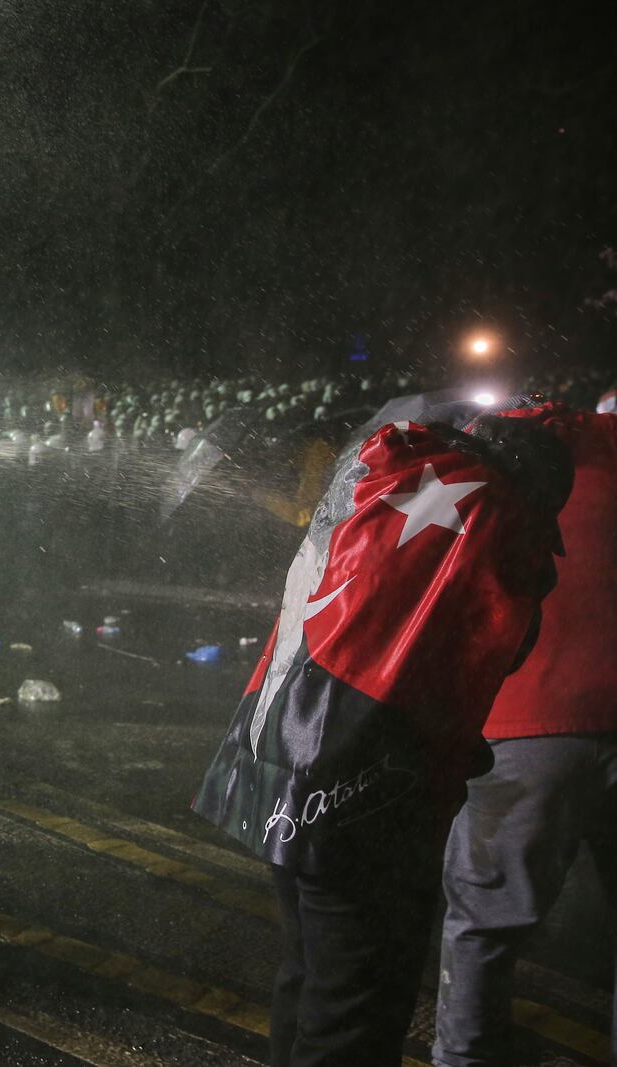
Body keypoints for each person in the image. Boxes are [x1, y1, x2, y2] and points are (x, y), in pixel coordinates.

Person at [193, 411, 572, 1067]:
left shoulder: (383, 462)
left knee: (307, 975)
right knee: (355, 1017)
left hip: (274, 754)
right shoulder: (505, 516)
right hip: (371, 790)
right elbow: (504, 648)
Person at [432, 402, 617, 1067]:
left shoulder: (534, 441)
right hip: (561, 717)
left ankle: (465, 1058)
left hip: (529, 720)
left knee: (486, 925)